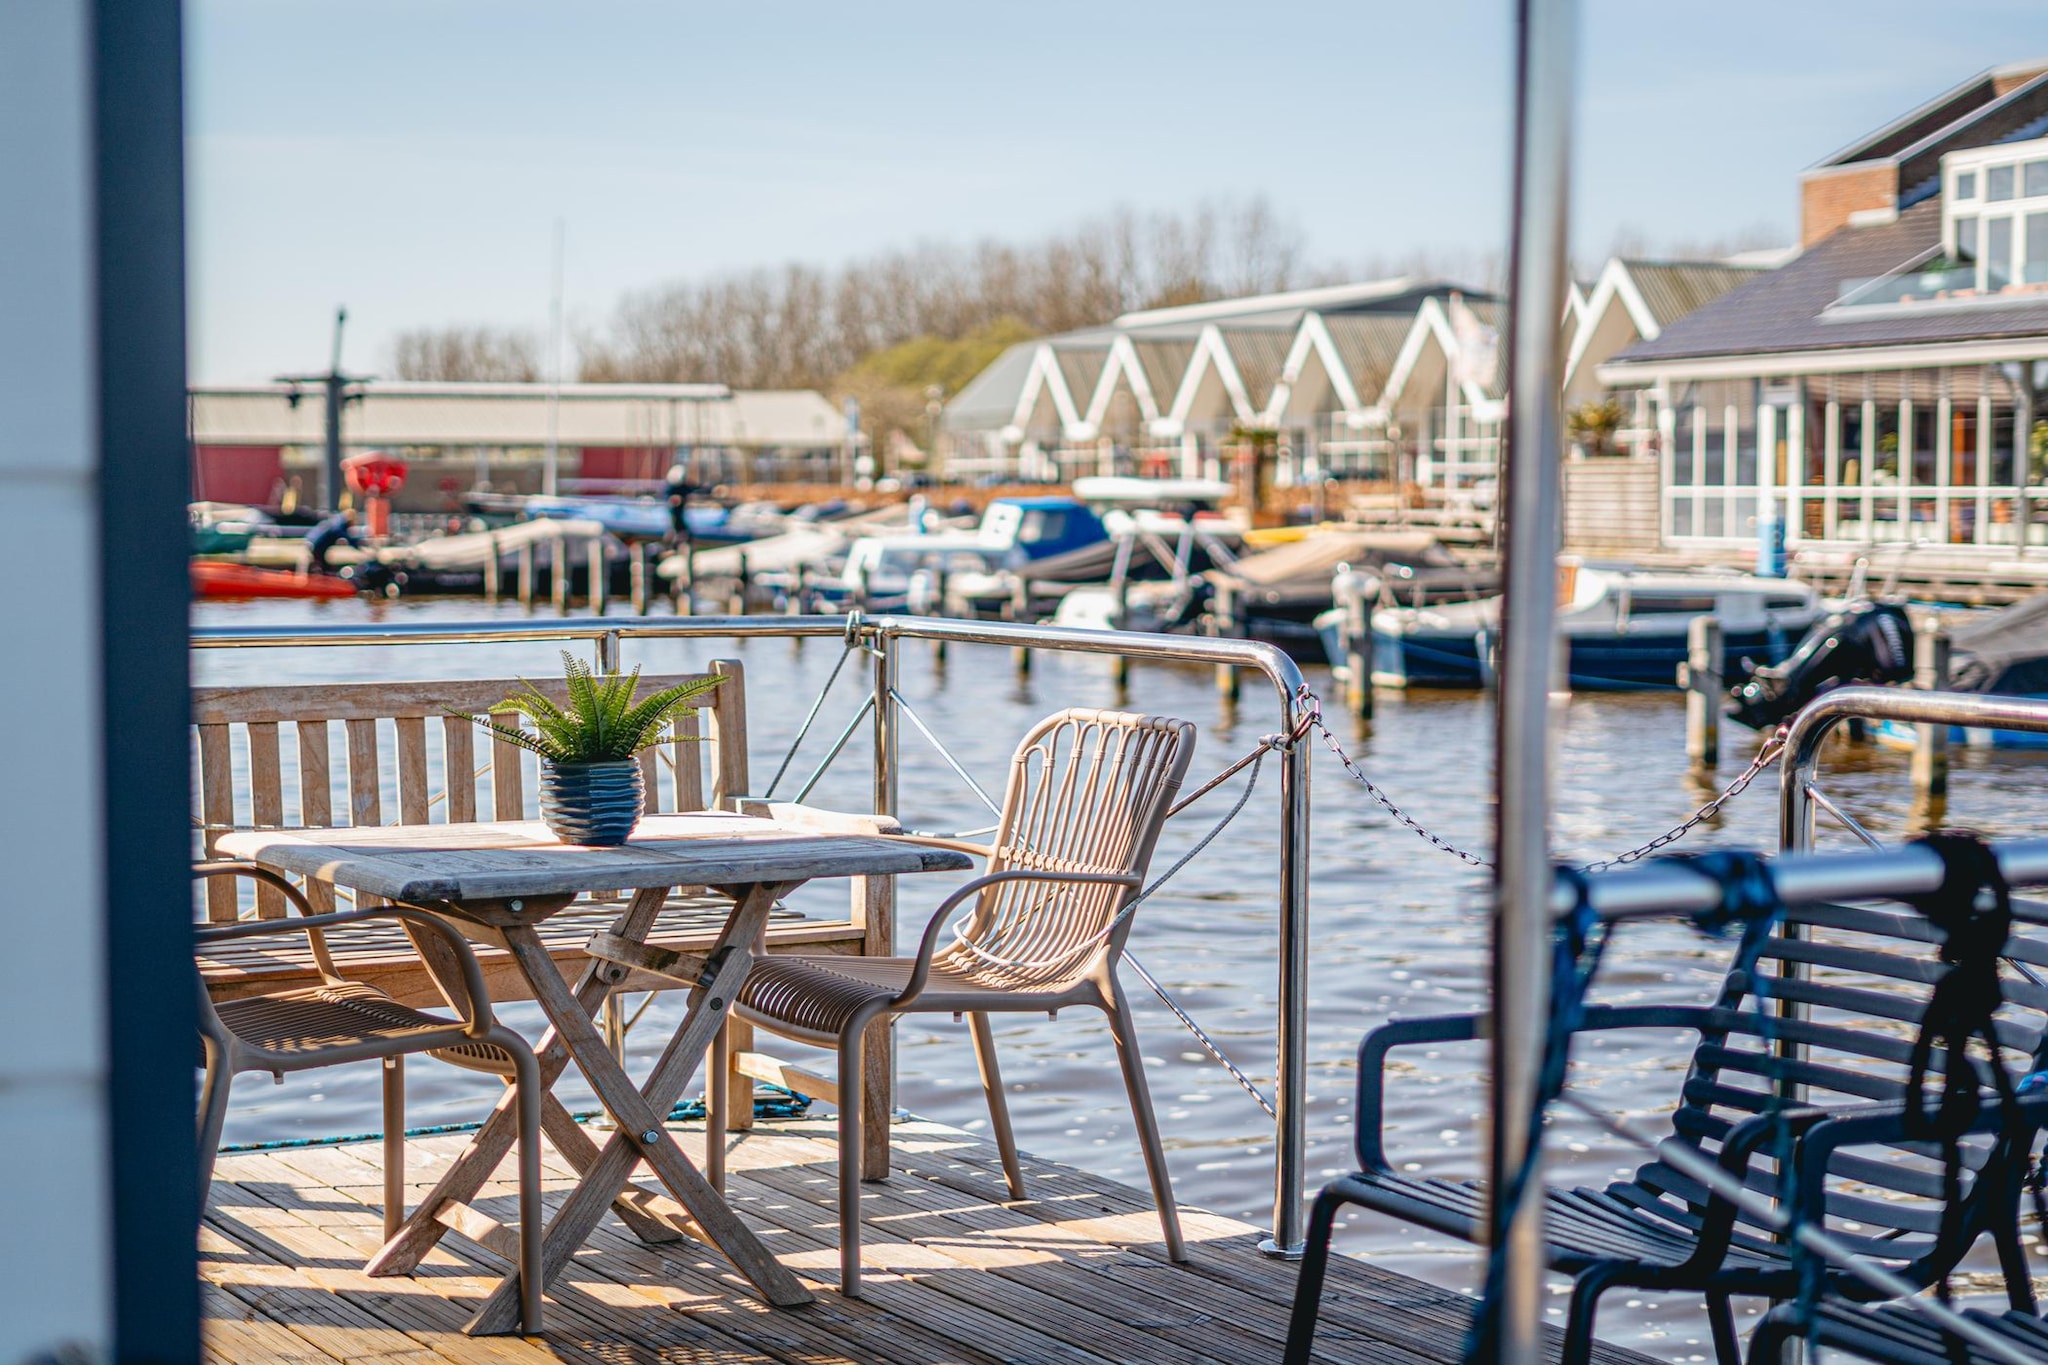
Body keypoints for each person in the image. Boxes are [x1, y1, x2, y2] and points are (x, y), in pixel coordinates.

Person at [305, 508, 360, 572]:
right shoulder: (341, 523)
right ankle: (318, 572)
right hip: (317, 543)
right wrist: (356, 545)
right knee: (321, 562)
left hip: (312, 539)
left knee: (321, 562)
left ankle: (319, 570)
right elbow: (342, 534)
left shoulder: (337, 519)